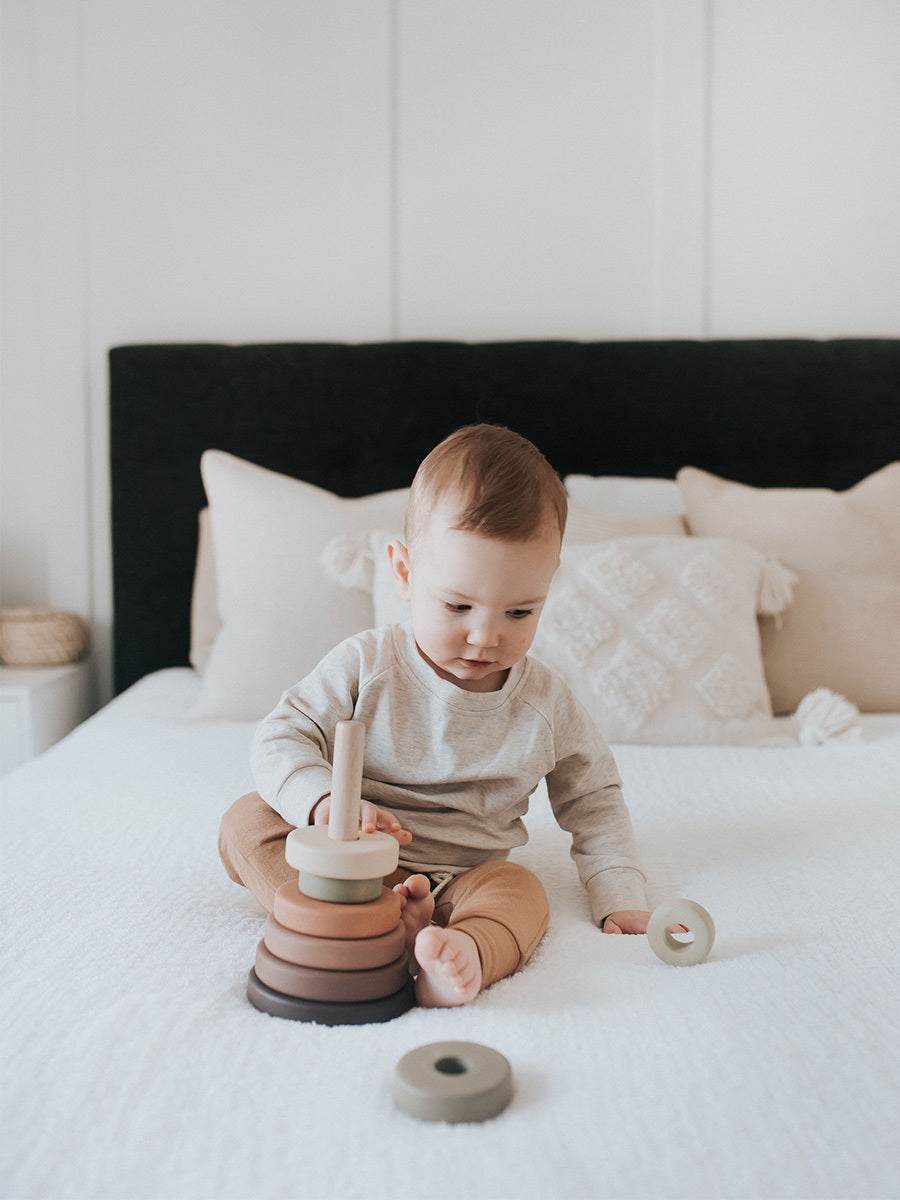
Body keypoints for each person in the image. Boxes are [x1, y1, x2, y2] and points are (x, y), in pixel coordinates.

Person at [219, 424, 653, 1008]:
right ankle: (343, 922)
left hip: (466, 874)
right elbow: (281, 738)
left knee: (523, 891)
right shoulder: (366, 664)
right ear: (403, 572)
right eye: (458, 605)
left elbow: (593, 796)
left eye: (520, 612)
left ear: (548, 586)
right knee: (245, 823)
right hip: (344, 858)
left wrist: (617, 888)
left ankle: (463, 952)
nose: (485, 635)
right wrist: (323, 804)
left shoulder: (544, 703)